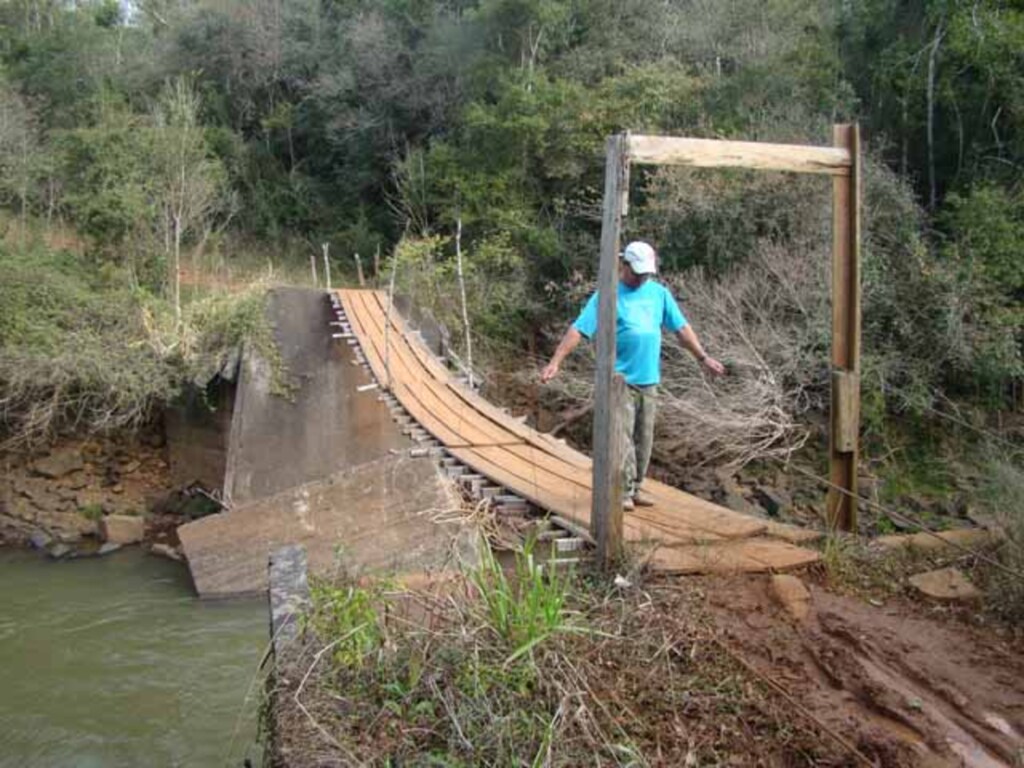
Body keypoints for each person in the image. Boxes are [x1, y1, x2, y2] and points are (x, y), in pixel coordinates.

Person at [540, 241, 725, 510]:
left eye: (645, 274)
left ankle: (636, 487)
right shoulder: (608, 295)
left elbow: (681, 328)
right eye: (636, 273)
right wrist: (556, 361)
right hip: (619, 381)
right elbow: (579, 329)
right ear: (623, 266)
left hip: (649, 379)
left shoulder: (659, 294)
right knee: (622, 437)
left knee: (644, 438)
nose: (640, 278)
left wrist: (703, 357)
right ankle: (623, 491)